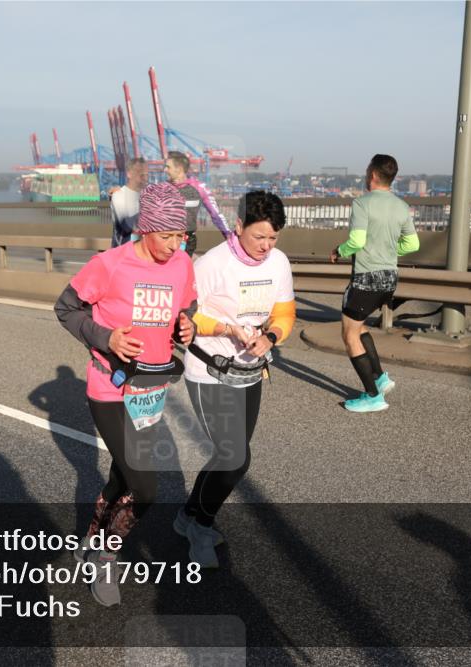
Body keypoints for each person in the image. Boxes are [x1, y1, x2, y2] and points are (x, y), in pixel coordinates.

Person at [54, 182, 197, 607]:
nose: (175, 245)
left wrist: (186, 324)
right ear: (144, 228)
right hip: (109, 387)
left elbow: (186, 306)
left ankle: (89, 543)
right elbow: (66, 309)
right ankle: (106, 556)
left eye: (181, 236)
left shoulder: (182, 264)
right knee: (145, 487)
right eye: (167, 236)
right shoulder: (109, 265)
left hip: (151, 389)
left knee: (121, 477)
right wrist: (107, 338)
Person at [178, 190, 296, 568]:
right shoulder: (213, 264)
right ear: (239, 226)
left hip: (249, 370)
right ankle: (200, 526)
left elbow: (285, 312)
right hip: (208, 369)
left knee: (229, 454)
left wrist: (271, 336)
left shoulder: (278, 263)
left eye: (273, 238)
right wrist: (227, 328)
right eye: (259, 236)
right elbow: (186, 318)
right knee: (235, 459)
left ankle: (187, 515)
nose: (266, 246)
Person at [330, 154, 420, 412]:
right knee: (359, 327)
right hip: (389, 278)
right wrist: (388, 252)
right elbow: (413, 244)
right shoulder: (402, 206)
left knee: (348, 334)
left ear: (372, 174)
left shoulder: (362, 203)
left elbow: (357, 241)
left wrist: (339, 250)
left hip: (366, 278)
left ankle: (372, 396)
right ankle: (380, 378)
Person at [164, 150, 229, 255]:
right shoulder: (162, 188)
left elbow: (216, 215)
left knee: (180, 269)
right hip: (163, 241)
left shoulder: (199, 187)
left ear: (179, 169)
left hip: (186, 240)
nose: (165, 170)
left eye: (168, 167)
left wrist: (229, 237)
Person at [110, 157, 148, 247]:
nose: (145, 178)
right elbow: (127, 226)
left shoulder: (148, 195)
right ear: (129, 174)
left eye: (146, 174)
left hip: (144, 253)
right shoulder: (119, 195)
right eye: (140, 174)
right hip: (122, 252)